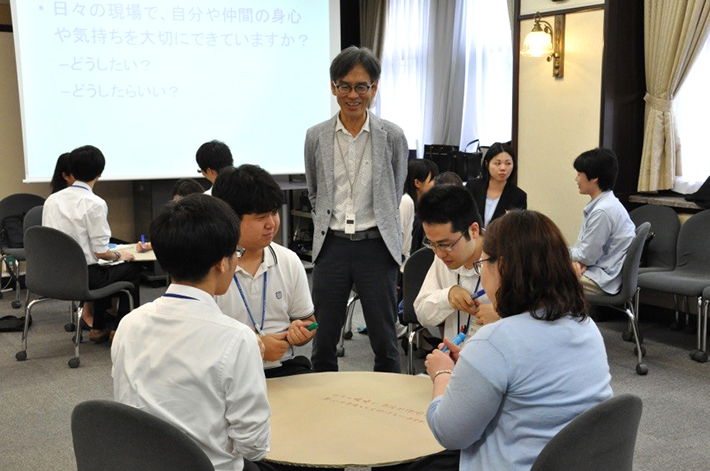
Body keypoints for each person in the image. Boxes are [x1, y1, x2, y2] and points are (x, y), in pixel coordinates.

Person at [425, 210, 613, 470]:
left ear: (500, 266)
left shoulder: (494, 342)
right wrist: (472, 364)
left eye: (483, 264)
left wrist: (442, 373)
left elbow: (449, 434)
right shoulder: (586, 327)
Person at [111, 194, 271, 471]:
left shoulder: (129, 323)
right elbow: (254, 446)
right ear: (222, 262)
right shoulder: (235, 338)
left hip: (139, 462)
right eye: (236, 252)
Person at [304, 46, 408, 373]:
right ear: (333, 87)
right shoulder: (316, 136)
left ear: (374, 88)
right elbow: (314, 191)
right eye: (344, 85)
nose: (353, 94)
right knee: (322, 340)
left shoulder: (392, 136)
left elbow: (396, 188)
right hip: (331, 246)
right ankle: (324, 408)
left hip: (376, 246)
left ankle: (386, 411)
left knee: (385, 340)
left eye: (361, 86)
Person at [212, 165, 317, 378]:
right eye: (260, 217)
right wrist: (256, 347)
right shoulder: (209, 267)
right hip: (228, 373)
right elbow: (201, 339)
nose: (271, 224)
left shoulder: (288, 260)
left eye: (274, 213)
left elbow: (308, 322)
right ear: (230, 217)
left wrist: (300, 332)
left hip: (282, 368)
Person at [42, 145, 141, 342]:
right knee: (131, 270)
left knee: (103, 270)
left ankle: (99, 327)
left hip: (51, 275)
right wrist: (122, 255)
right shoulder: (94, 203)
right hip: (84, 276)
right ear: (100, 173)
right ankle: (120, 329)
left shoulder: (52, 200)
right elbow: (101, 253)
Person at [414, 185, 498, 343]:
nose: (438, 253)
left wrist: (502, 318)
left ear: (473, 231)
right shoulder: (443, 256)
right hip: (455, 360)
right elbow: (421, 313)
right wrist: (447, 296)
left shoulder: (506, 257)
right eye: (431, 244)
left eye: (446, 244)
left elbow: (543, 319)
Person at [570, 148, 635, 295]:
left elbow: (587, 256)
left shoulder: (602, 211)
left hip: (602, 279)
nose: (576, 179)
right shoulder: (605, 204)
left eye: (579, 174)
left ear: (594, 178)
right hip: (596, 270)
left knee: (543, 279)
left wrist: (563, 256)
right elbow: (585, 253)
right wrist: (576, 261)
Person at [465, 142, 527, 228]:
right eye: (497, 163)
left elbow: (517, 230)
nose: (503, 168)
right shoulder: (473, 187)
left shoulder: (518, 196)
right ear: (487, 164)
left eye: (508, 163)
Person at [400, 159, 439, 261]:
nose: (435, 183)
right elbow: (400, 238)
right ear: (417, 183)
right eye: (432, 179)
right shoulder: (406, 201)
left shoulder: (419, 205)